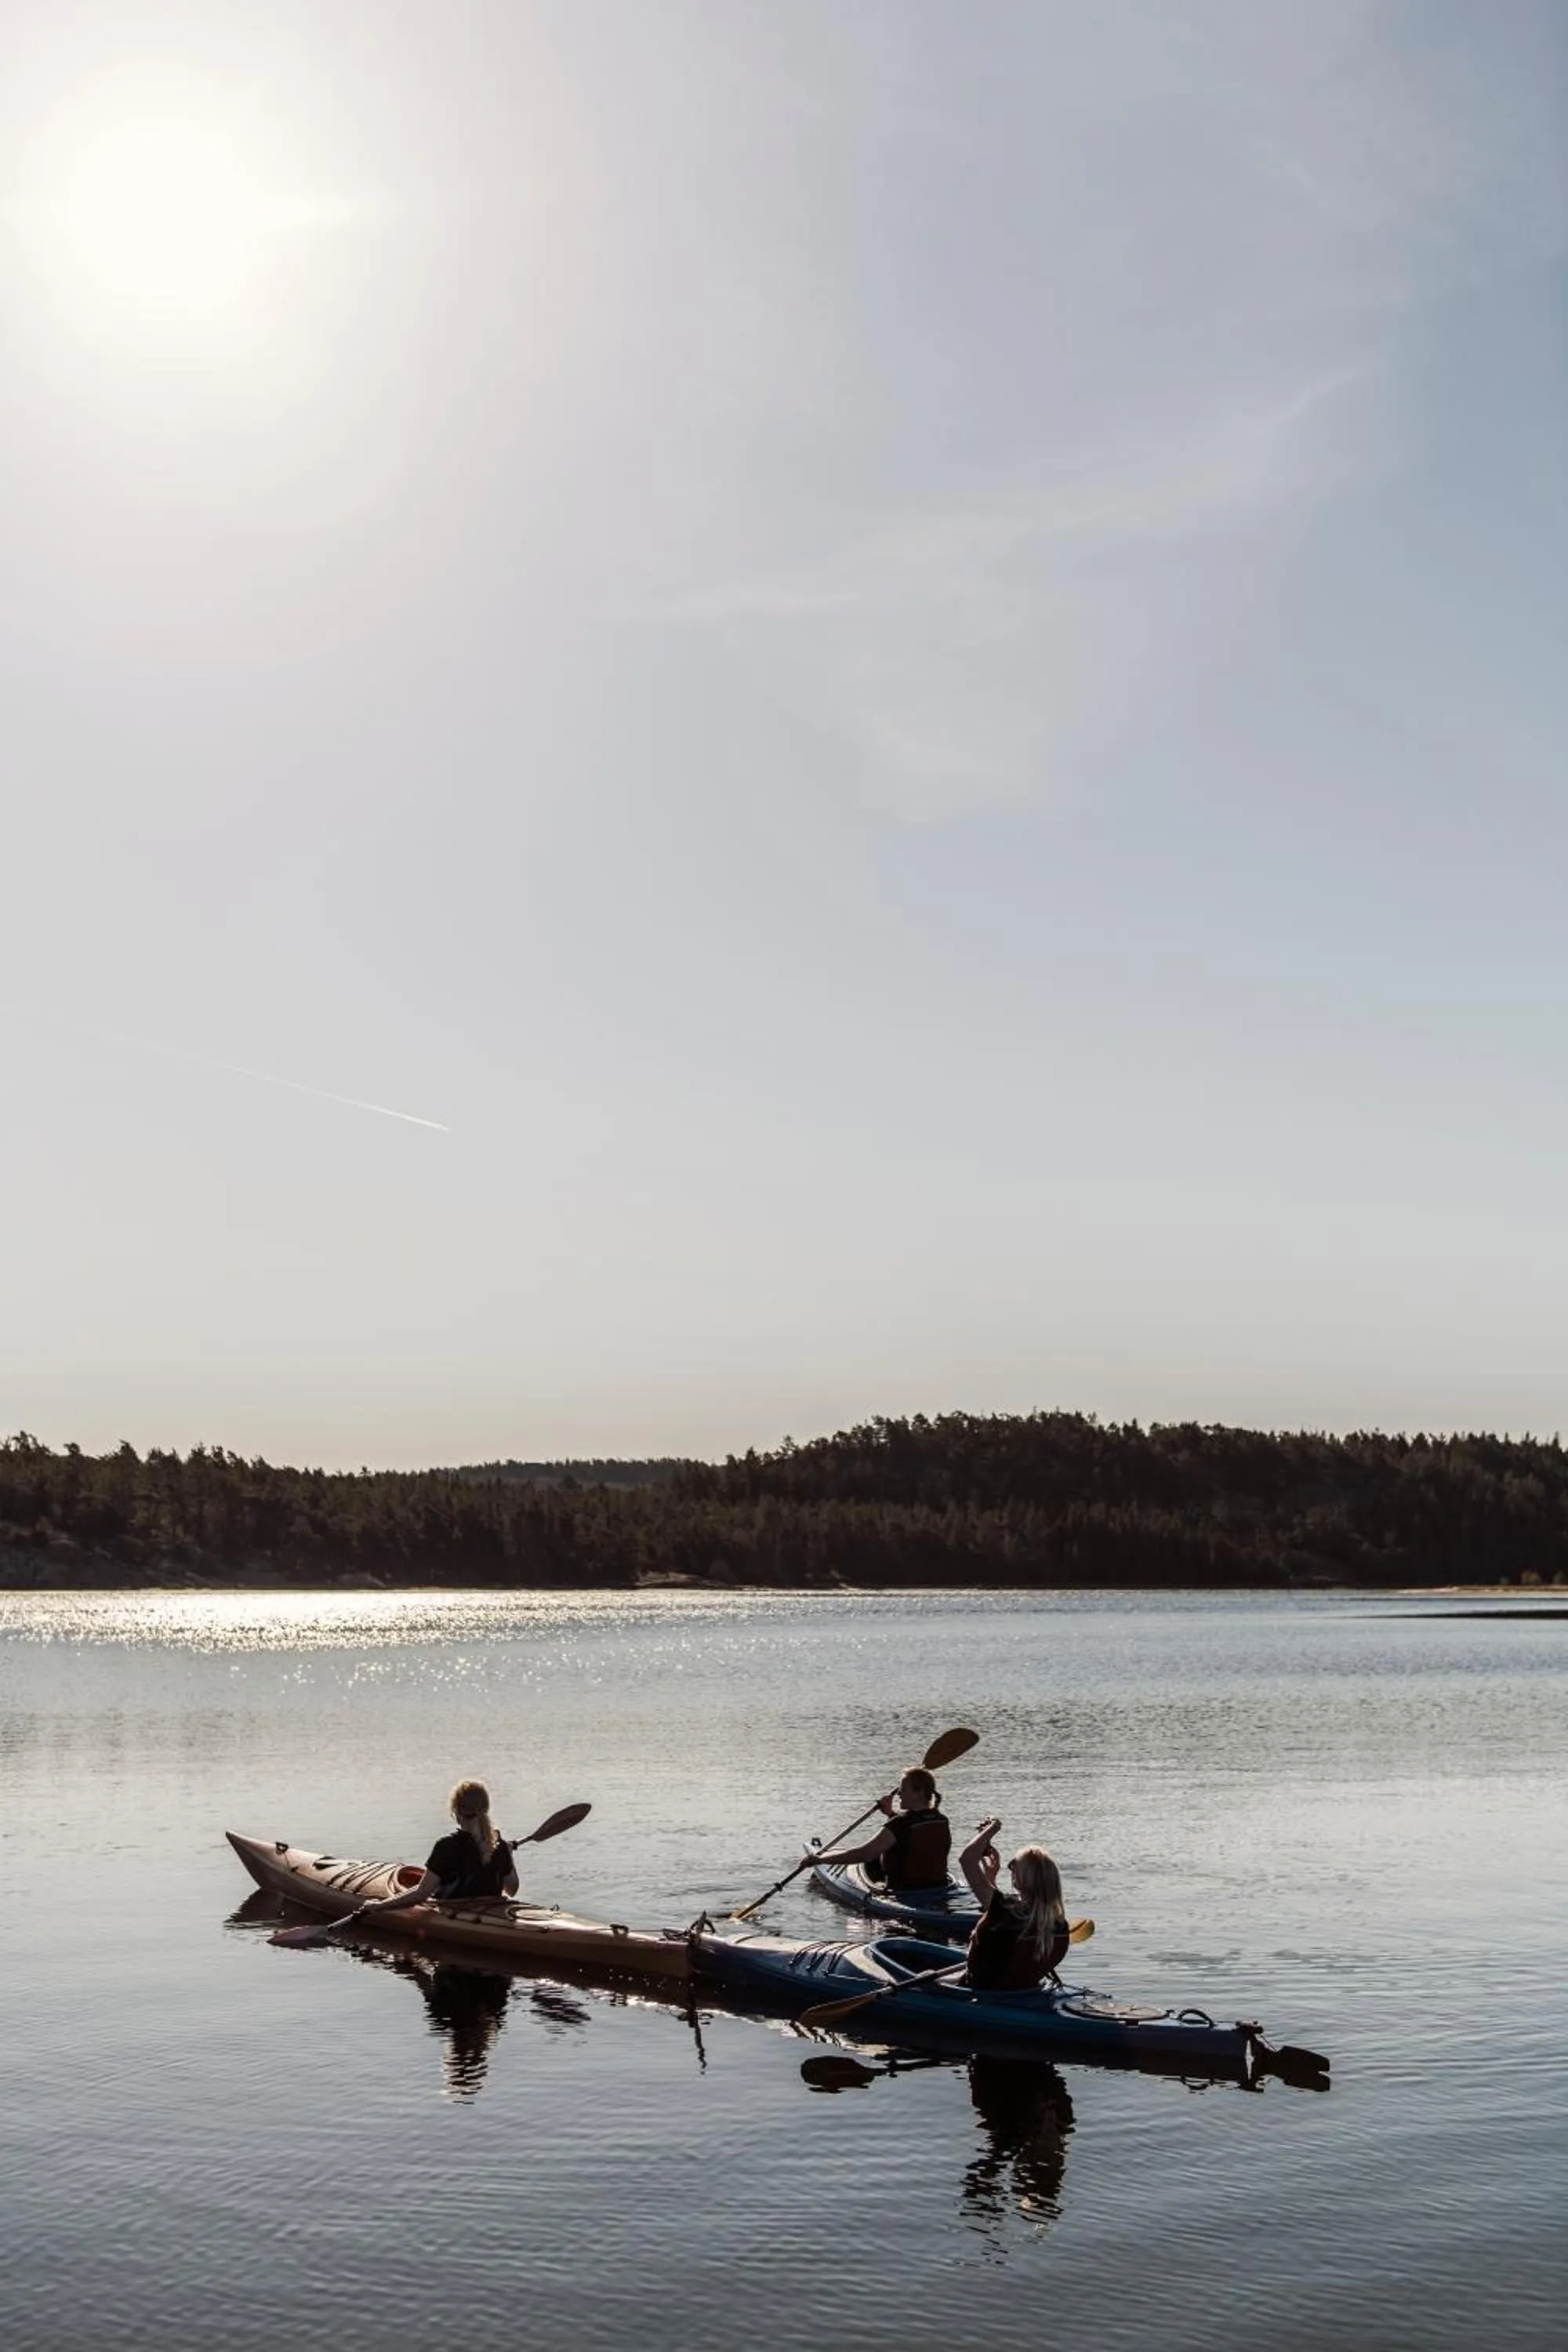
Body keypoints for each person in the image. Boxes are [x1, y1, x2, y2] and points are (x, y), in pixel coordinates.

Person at [353, 1779, 521, 1922]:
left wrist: (378, 1906)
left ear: (456, 1812)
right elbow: (512, 1890)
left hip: (456, 1914)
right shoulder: (498, 1846)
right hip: (492, 1912)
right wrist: (507, 1856)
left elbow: (421, 1895)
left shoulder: (446, 1846)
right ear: (486, 1809)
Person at [959, 1818, 1069, 1990]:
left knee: (925, 1977)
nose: (1010, 1868)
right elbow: (1004, 1934)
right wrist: (991, 1879)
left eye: (1013, 1865)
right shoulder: (1058, 1924)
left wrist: (992, 1828)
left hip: (985, 1991)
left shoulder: (1006, 1910)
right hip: (1025, 1990)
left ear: (1023, 1879)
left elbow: (967, 1860)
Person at [809, 1765, 953, 1889]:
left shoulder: (900, 1824)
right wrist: (891, 1813)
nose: (898, 1793)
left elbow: (865, 1854)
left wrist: (819, 1860)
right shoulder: (941, 1819)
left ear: (919, 1792)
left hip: (903, 1890)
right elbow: (909, 1835)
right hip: (938, 1886)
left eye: (903, 1789)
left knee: (871, 1861)